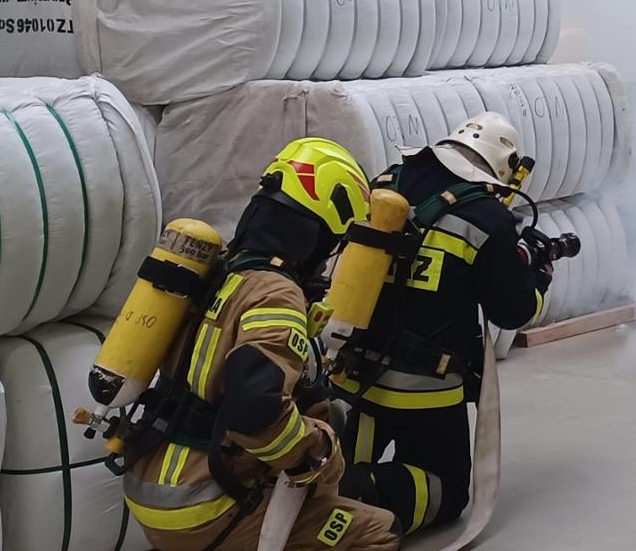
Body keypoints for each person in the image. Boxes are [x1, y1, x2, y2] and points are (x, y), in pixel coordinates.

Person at [124, 139, 401, 551]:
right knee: (379, 531)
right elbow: (255, 411)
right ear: (319, 232)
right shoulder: (276, 293)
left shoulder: (221, 271)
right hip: (202, 505)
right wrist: (320, 451)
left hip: (150, 483)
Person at [333, 112, 554, 536]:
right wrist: (539, 278)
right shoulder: (487, 217)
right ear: (504, 166)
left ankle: (338, 484)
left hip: (353, 375)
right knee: (448, 491)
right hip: (425, 392)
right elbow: (512, 311)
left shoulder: (389, 181)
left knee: (347, 459)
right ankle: (361, 495)